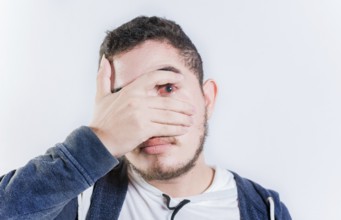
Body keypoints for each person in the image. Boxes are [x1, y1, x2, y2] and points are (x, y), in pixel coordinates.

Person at [0, 16, 291, 220]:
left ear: (207, 99)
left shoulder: (264, 209)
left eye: (167, 88)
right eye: (125, 98)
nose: (145, 118)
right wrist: (100, 140)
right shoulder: (77, 198)